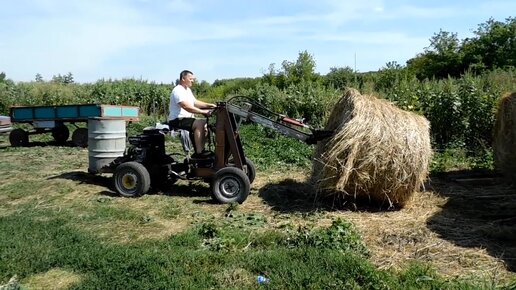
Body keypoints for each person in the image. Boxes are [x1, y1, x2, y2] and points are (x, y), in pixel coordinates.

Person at [168, 70, 216, 158]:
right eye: (190, 79)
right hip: (177, 120)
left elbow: (195, 102)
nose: (192, 81)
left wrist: (211, 105)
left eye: (193, 79)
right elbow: (186, 106)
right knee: (200, 123)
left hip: (185, 119)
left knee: (206, 124)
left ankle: (201, 150)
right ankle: (199, 153)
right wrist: (203, 112)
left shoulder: (187, 90)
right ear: (183, 78)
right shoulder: (178, 91)